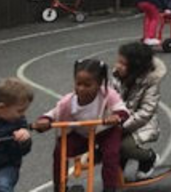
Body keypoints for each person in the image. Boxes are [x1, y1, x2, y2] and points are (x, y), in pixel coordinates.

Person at [33, 59, 130, 192]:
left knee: (111, 154)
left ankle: (109, 188)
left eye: (87, 85)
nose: (81, 88)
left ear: (99, 83)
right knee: (60, 151)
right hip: (82, 133)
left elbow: (122, 110)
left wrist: (116, 116)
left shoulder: (108, 95)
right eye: (78, 84)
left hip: (106, 131)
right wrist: (45, 121)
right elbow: (54, 114)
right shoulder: (68, 102)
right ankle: (60, 187)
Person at [111, 42, 165, 181]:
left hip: (143, 124)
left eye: (123, 63)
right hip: (119, 120)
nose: (118, 66)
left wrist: (121, 126)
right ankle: (120, 162)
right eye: (118, 61)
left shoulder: (150, 82)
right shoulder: (117, 76)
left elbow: (146, 112)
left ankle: (149, 158)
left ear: (135, 67)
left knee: (123, 146)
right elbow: (109, 98)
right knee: (105, 144)